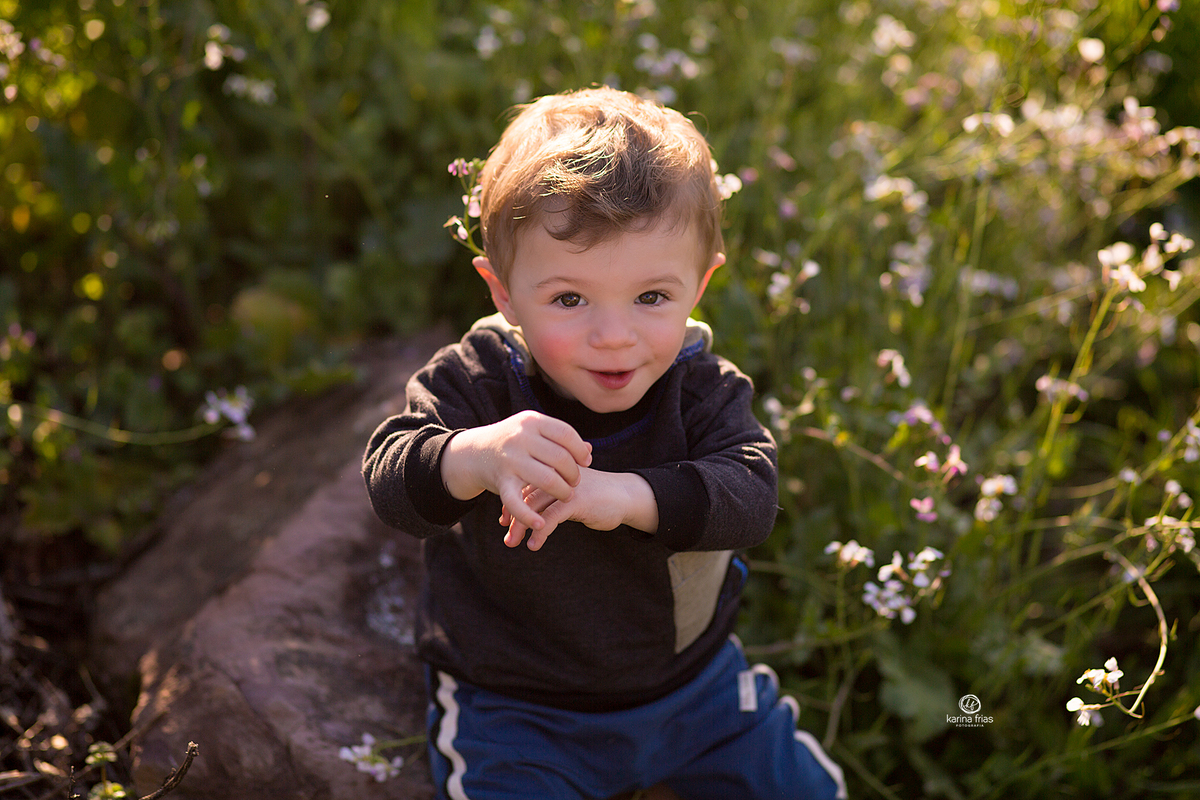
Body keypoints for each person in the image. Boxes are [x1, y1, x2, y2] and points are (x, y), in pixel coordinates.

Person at [362, 86, 846, 800]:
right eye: (568, 299)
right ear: (502, 293)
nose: (613, 335)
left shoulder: (702, 386)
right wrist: (478, 456)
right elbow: (391, 479)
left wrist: (620, 495)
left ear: (700, 283)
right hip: (519, 709)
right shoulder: (479, 382)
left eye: (652, 297)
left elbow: (753, 498)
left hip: (698, 692)